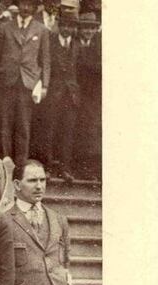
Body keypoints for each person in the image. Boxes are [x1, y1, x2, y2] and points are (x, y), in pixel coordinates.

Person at [0, 0, 51, 165]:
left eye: (29, 5)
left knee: (23, 126)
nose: (25, 8)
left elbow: (45, 60)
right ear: (18, 6)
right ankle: (5, 163)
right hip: (6, 81)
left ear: (34, 8)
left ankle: (21, 165)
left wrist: (44, 85)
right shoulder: (5, 27)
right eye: (23, 4)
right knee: (5, 125)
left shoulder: (42, 29)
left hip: (28, 83)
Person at [36, 12, 79, 181]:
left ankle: (64, 169)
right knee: (49, 131)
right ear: (59, 25)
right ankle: (46, 167)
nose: (68, 28)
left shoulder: (76, 45)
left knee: (67, 133)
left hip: (71, 97)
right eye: (65, 25)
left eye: (71, 25)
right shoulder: (51, 42)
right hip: (53, 94)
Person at [74, 12, 100, 180]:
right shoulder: (74, 44)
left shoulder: (98, 47)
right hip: (74, 94)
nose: (88, 31)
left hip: (92, 96)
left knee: (90, 132)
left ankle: (88, 170)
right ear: (80, 29)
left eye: (91, 28)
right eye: (85, 28)